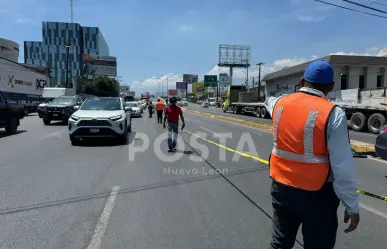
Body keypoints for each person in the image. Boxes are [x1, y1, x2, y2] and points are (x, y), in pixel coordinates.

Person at [265, 60, 360, 249]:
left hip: (282, 187)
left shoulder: (279, 104)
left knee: (280, 243)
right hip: (318, 195)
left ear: (301, 82)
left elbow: (268, 100)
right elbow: (342, 166)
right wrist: (351, 205)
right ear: (331, 87)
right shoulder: (334, 114)